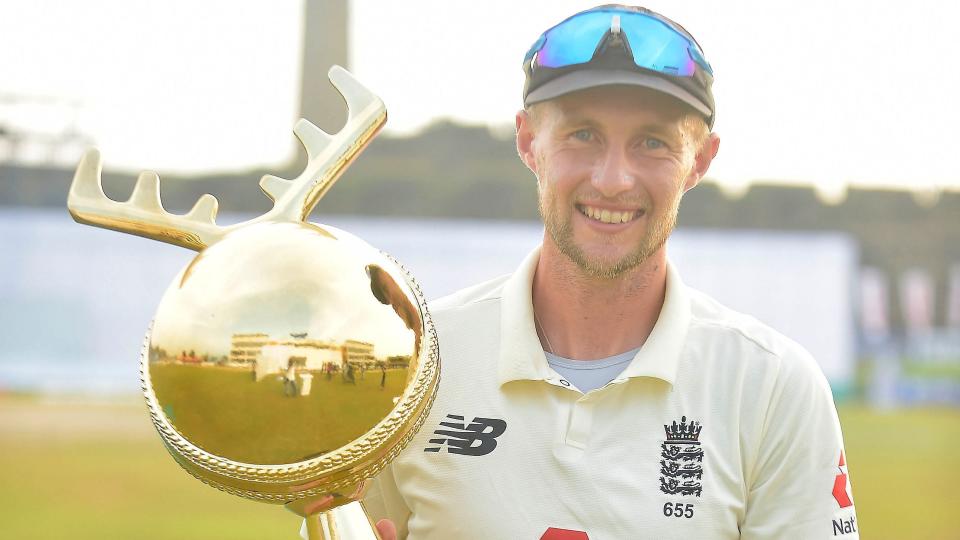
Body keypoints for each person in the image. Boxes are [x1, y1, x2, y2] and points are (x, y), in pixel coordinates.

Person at [327, 5, 859, 539]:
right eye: (583, 135)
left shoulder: (771, 386)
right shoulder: (413, 365)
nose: (612, 180)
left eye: (652, 142)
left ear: (700, 159)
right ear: (528, 140)